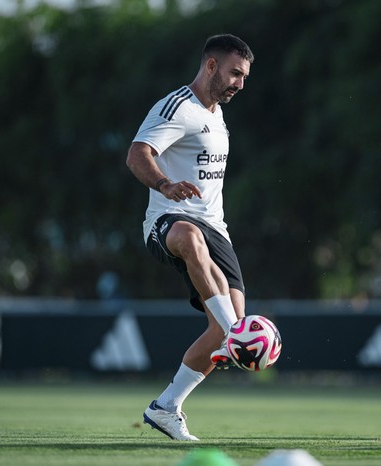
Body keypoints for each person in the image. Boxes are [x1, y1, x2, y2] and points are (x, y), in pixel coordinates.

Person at [126, 34, 254, 441]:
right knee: (188, 236)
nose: (240, 83)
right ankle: (238, 331)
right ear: (211, 66)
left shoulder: (217, 116)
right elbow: (137, 154)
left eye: (245, 76)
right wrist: (165, 185)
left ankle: (166, 407)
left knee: (220, 333)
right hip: (168, 221)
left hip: (216, 229)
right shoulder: (178, 106)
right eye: (235, 73)